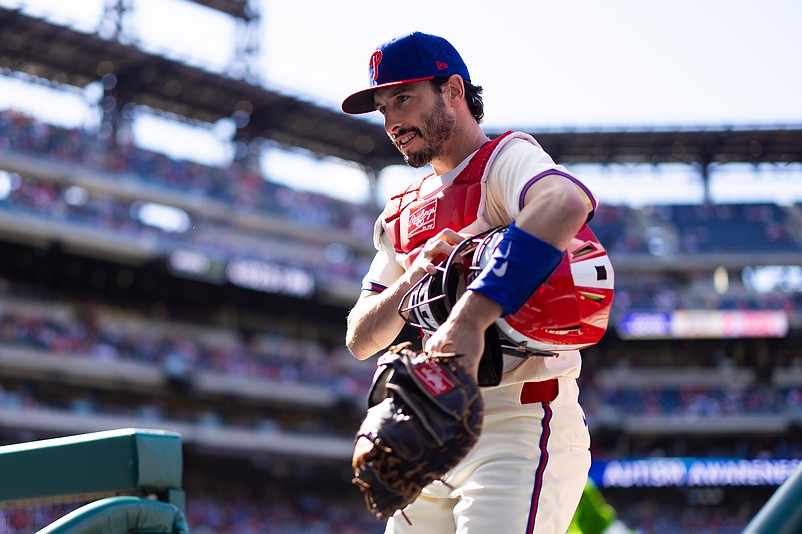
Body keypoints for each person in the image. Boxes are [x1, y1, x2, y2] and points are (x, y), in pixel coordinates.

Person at [342, 31, 602, 533]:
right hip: (430, 424)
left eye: (403, 98)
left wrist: (470, 315)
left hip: (518, 421)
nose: (392, 121)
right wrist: (414, 276)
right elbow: (360, 338)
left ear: (453, 90)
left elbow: (567, 203)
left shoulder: (505, 159)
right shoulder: (401, 209)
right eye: (382, 107)